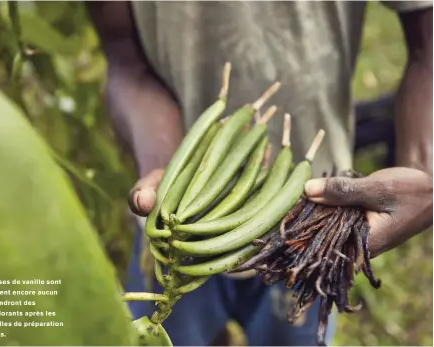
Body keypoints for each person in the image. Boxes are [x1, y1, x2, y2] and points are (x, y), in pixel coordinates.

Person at [88, 1, 433, 345]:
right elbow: (124, 60)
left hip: (306, 229)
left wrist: (422, 172)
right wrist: (165, 169)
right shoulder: (171, 225)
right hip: (176, 211)